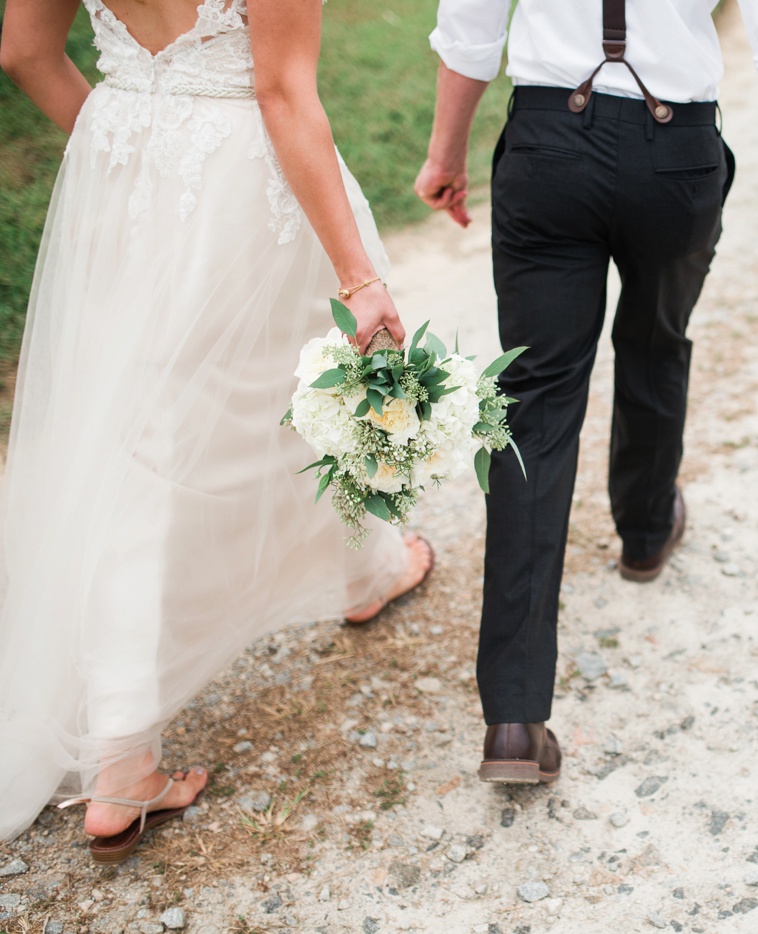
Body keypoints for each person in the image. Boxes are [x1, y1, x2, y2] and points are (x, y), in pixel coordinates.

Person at [0, 0, 435, 858]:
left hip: (120, 161)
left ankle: (362, 570)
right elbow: (280, 93)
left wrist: (136, 134)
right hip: (244, 180)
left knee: (154, 425)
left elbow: (23, 51)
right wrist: (360, 276)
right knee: (300, 383)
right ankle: (126, 750)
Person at [415, 0, 758, 784]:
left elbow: (472, 25)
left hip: (547, 144)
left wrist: (445, 155)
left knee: (533, 402)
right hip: (678, 152)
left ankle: (515, 720)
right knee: (656, 344)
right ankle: (646, 529)